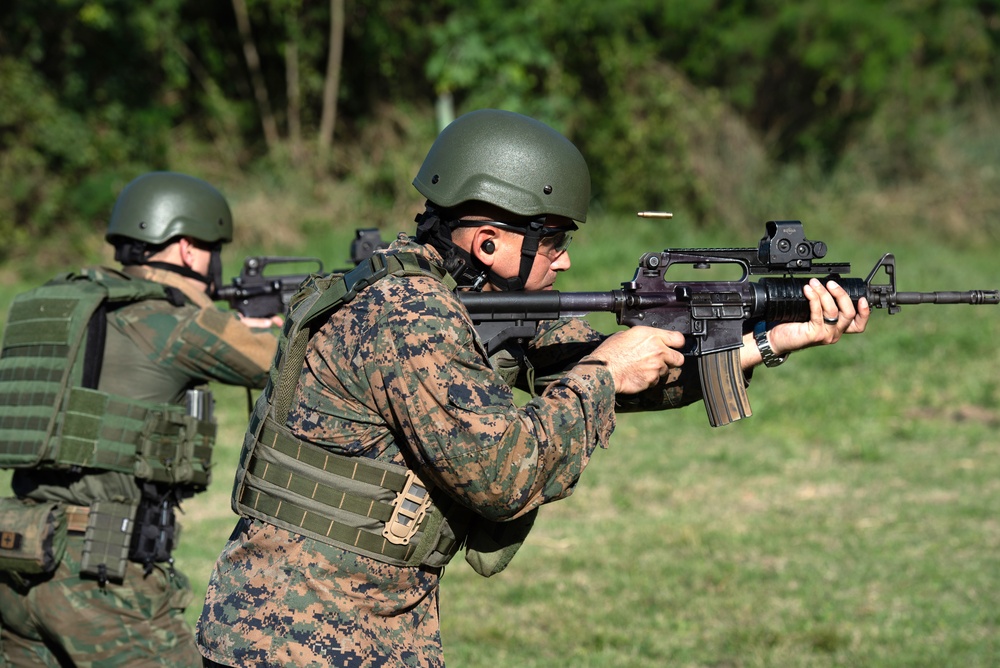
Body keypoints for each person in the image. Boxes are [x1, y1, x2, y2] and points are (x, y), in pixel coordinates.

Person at [196, 109, 869, 667]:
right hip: (304, 639)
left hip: (324, 628)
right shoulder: (409, 316)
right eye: (552, 241)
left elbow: (618, 371)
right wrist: (604, 373)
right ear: (488, 242)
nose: (567, 260)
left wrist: (767, 339)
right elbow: (504, 471)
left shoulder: (455, 299)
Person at [0, 171, 281, 667]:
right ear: (189, 248)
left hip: (18, 560)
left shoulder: (67, 307)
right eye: (213, 249)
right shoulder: (173, 323)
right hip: (103, 573)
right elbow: (281, 362)